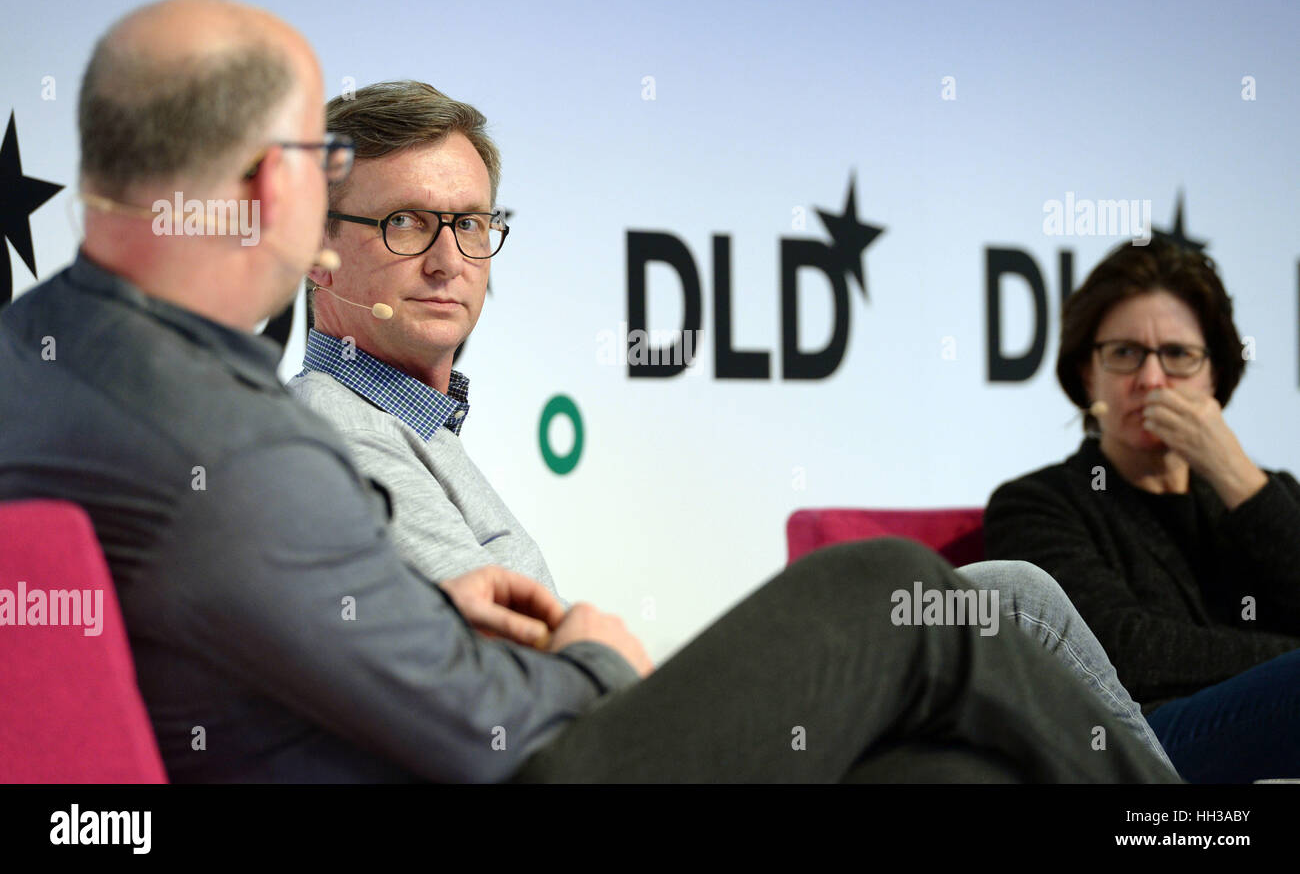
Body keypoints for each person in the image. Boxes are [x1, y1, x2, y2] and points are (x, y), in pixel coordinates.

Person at [0, 0, 1177, 784]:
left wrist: (423, 614)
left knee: (946, 774)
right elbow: (495, 731)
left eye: (470, 223)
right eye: (364, 193)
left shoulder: (52, 356)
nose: (448, 255)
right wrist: (602, 653)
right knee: (890, 589)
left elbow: (306, 629)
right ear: (276, 189)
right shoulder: (249, 443)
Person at [292, 79, 1174, 772]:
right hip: (599, 752)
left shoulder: (414, 422)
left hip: (608, 728)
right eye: (406, 222)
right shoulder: (331, 427)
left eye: (472, 223)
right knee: (997, 597)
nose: (449, 257)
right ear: (319, 249)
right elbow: (500, 663)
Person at [984, 237, 1300, 782]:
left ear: (1215, 377)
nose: (1152, 380)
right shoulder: (1038, 503)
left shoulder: (1264, 496)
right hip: (1139, 747)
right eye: (1125, 353)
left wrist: (1237, 478)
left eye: (1178, 356)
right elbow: (1124, 652)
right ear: (1088, 374)